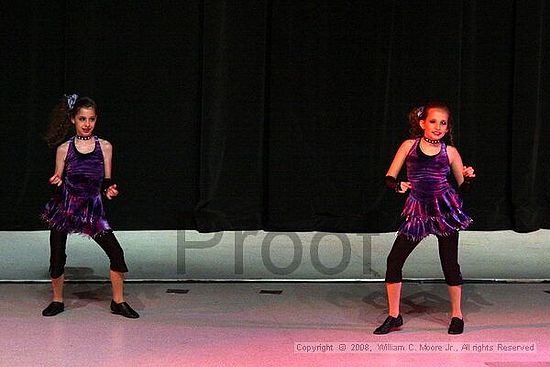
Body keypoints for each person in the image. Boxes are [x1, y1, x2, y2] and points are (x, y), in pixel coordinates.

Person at [374, 102, 474, 335]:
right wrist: (398, 185)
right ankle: (394, 315)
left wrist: (468, 177)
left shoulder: (450, 152)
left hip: (444, 211)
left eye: (443, 123)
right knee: (394, 260)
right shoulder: (409, 146)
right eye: (433, 121)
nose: (438, 127)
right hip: (418, 211)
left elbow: (463, 187)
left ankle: (457, 315)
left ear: (448, 128)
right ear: (422, 123)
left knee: (449, 263)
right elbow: (389, 177)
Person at [41, 94, 139, 318]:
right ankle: (57, 300)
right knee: (57, 255)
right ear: (73, 119)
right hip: (65, 207)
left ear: (96, 120)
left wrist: (109, 189)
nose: (87, 124)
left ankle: (118, 301)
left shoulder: (104, 147)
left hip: (91, 209)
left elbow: (106, 181)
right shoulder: (64, 149)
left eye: (91, 119)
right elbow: (58, 178)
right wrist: (56, 181)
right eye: (82, 119)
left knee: (116, 253)